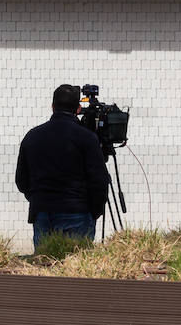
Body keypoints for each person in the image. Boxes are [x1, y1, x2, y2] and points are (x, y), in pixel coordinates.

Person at [15, 83, 110, 246]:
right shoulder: (86, 138)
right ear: (78, 109)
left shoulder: (32, 136)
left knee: (45, 266)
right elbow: (99, 181)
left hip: (42, 212)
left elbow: (21, 180)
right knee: (74, 267)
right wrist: (93, 211)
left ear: (52, 107)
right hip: (77, 212)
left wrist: (38, 198)